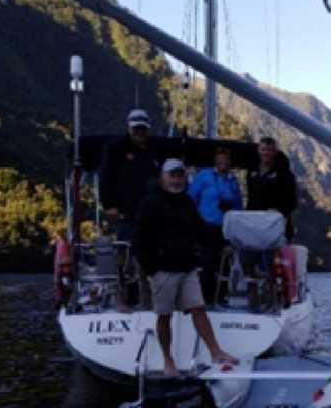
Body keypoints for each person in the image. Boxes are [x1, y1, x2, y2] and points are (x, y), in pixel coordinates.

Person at [133, 158, 238, 377]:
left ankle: (216, 352)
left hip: (187, 267)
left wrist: (224, 240)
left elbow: (202, 231)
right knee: (165, 317)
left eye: (180, 175)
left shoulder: (188, 203)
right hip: (162, 270)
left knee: (199, 309)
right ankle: (168, 361)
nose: (176, 179)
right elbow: (139, 242)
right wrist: (152, 269)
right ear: (162, 178)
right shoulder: (149, 204)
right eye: (172, 175)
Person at [99, 109, 161, 309]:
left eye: (143, 128)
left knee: (148, 258)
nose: (139, 131)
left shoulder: (153, 152)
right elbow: (105, 178)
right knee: (123, 258)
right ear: (129, 126)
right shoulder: (115, 148)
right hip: (124, 214)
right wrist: (109, 205)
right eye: (136, 128)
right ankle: (120, 298)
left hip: (150, 217)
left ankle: (146, 298)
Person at [187, 147, 243, 302]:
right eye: (220, 159)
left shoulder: (233, 181)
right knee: (208, 262)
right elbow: (191, 198)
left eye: (225, 159)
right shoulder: (204, 176)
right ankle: (205, 297)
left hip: (226, 228)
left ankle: (221, 296)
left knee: (224, 263)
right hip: (206, 226)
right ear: (215, 161)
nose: (223, 162)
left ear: (229, 161)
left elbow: (238, 205)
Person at [246, 137, 298, 242]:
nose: (266, 153)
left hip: (277, 227)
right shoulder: (252, 172)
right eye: (263, 149)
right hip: (256, 226)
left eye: (269, 150)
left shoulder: (285, 173)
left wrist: (279, 212)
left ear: (275, 152)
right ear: (258, 150)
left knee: (272, 258)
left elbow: (292, 201)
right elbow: (251, 197)